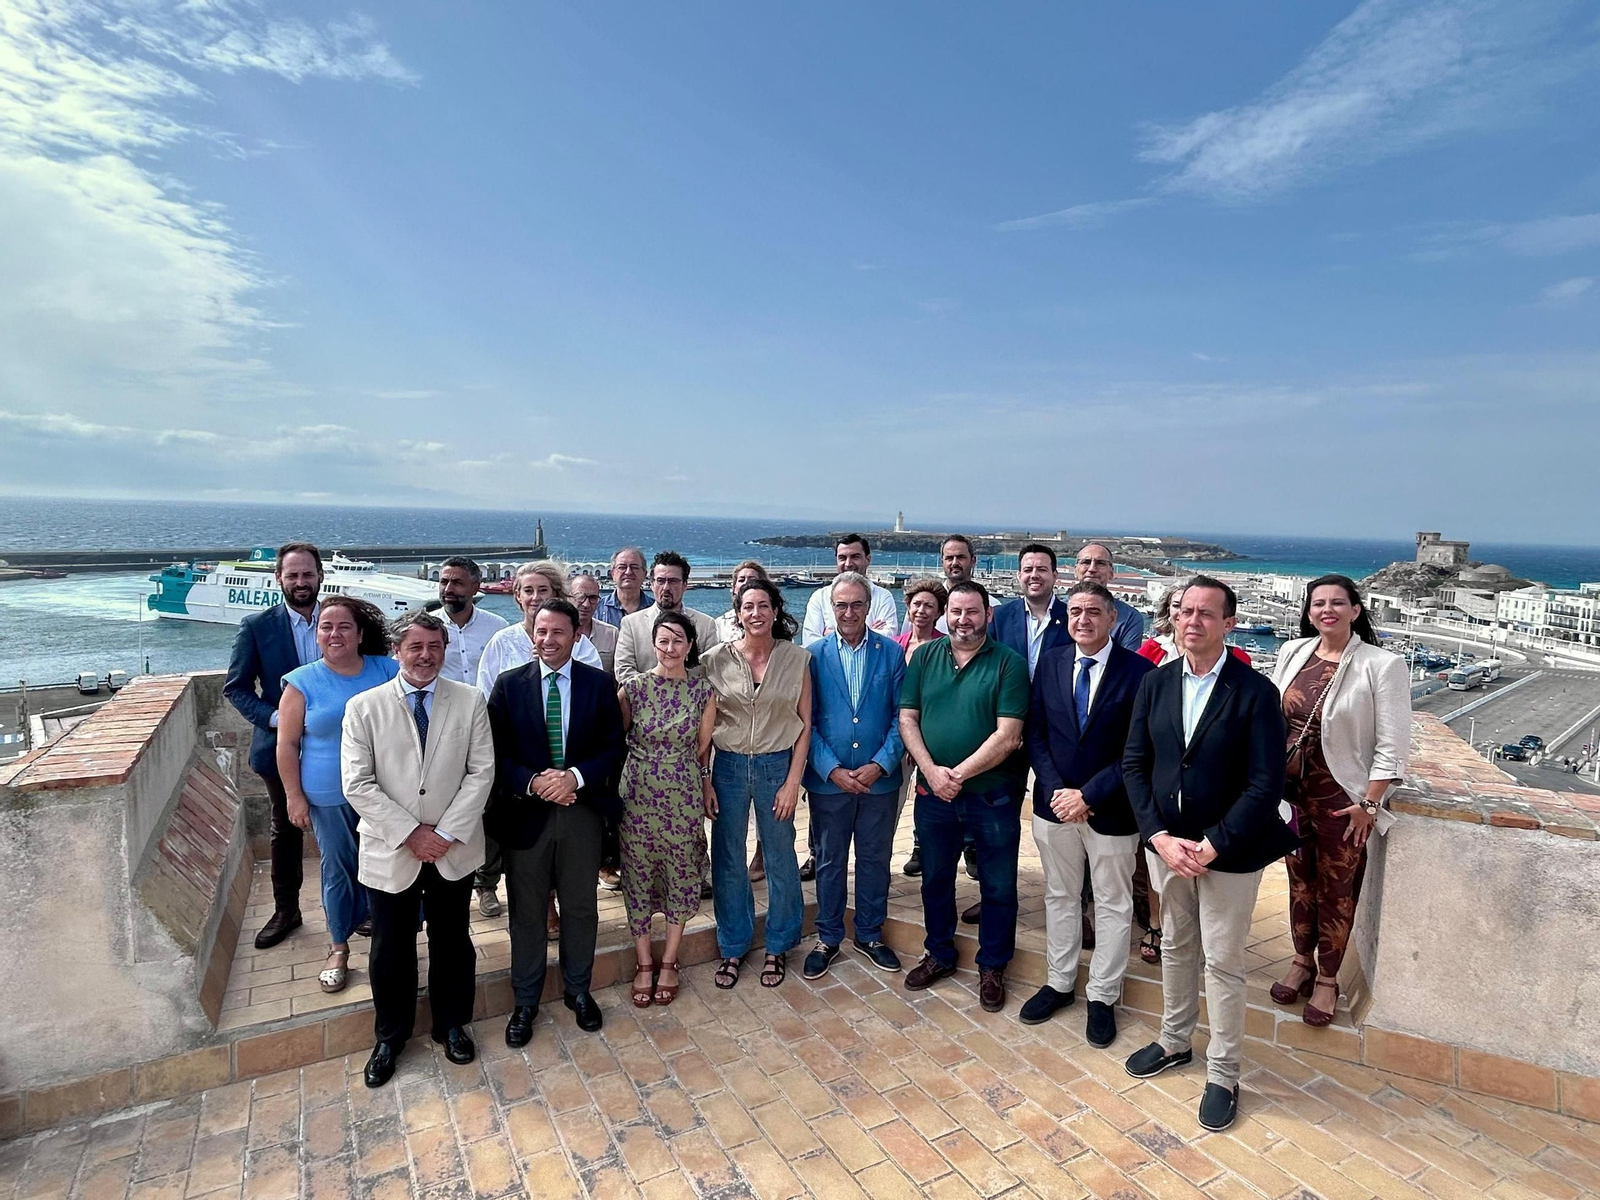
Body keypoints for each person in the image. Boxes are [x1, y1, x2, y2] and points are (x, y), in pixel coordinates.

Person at [1122, 576, 1297, 1133]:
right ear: (1173, 619)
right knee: (1175, 947)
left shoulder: (1253, 692)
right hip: (1167, 849)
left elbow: (1265, 783)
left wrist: (1215, 842)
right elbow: (1134, 765)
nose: (1192, 621)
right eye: (1184, 612)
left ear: (1229, 623)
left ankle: (1223, 1073)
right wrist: (1158, 837)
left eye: (1205, 614)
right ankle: (1175, 1041)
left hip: (1230, 851)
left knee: (1223, 962)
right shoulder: (1155, 683)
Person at [340, 611, 494, 1088]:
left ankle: (452, 1024)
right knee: (390, 947)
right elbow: (357, 784)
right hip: (393, 848)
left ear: (445, 651)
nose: (426, 656)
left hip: (452, 848)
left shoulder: (469, 702)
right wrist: (412, 833)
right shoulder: (363, 708)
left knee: (452, 940)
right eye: (416, 647)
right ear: (396, 651)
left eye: (435, 647)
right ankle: (390, 1036)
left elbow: (481, 772)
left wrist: (444, 834)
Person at [1270, 575, 1410, 1027]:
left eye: (1337, 603)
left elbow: (1392, 744)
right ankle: (1300, 960)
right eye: (1318, 604)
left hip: (1342, 799)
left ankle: (1328, 978)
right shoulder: (1293, 652)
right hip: (1292, 796)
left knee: (1337, 888)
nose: (1326, 610)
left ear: (1355, 610)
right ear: (1308, 611)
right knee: (1299, 879)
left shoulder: (1381, 665)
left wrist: (1370, 804)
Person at [1020, 582, 1155, 1045]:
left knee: (1113, 903)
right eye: (1075, 611)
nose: (1083, 620)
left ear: (1112, 619)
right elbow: (1035, 731)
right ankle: (1060, 983)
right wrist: (1058, 790)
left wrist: (1089, 795)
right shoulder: (1053, 662)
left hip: (1112, 811)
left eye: (1093, 612)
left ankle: (1102, 994)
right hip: (1053, 806)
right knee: (1059, 896)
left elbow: (1139, 749)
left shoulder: (1139, 673)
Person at [487, 599, 626, 1044]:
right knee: (527, 912)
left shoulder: (599, 685)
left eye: (558, 633)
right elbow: (494, 754)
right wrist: (533, 782)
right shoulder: (509, 687)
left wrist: (575, 778)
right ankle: (525, 1000)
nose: (548, 640)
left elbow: (613, 748)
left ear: (576, 636)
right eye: (540, 632)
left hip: (580, 813)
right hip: (526, 814)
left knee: (581, 908)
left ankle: (578, 990)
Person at [899, 580, 1028, 1012]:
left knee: (997, 886)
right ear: (944, 615)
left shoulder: (1009, 663)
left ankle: (992, 965)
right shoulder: (924, 657)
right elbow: (907, 719)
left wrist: (957, 774)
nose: (963, 620)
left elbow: (1008, 736)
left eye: (972, 612)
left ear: (988, 616)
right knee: (935, 880)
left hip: (991, 796)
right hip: (933, 794)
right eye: (955, 611)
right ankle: (939, 954)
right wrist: (932, 772)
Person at [275, 596, 399, 994]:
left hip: (386, 792)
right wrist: (294, 796)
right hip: (328, 794)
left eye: (344, 626)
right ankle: (338, 948)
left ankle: (391, 945)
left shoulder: (387, 670)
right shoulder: (300, 682)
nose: (335, 634)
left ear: (360, 634)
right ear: (317, 634)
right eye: (326, 627)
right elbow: (287, 744)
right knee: (338, 870)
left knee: (390, 866)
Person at [475, 561, 602, 924]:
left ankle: (559, 901)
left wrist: (568, 777)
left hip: (571, 769)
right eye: (527, 591)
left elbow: (592, 699)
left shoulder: (581, 643)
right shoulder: (503, 642)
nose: (534, 598)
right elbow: (488, 698)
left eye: (542, 591)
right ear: (517, 597)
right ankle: (521, 897)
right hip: (522, 768)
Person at [703, 579, 811, 990]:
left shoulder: (797, 658)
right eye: (748, 606)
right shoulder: (714, 660)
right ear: (737, 613)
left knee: (781, 857)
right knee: (728, 858)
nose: (756, 614)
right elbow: (705, 727)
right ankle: (733, 944)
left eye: (763, 605)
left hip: (776, 765)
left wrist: (792, 782)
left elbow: (805, 725)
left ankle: (778, 945)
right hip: (728, 766)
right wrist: (706, 779)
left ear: (775, 610)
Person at [801, 572, 905, 979]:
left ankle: (869, 934)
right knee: (829, 859)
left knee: (875, 859)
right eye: (840, 605)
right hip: (830, 782)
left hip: (880, 779)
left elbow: (903, 717)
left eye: (856, 604)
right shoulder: (812, 656)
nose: (848, 612)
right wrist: (832, 769)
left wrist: (881, 764)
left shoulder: (891, 654)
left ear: (868, 607)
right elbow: (805, 721)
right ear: (831, 608)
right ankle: (828, 937)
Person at [223, 540, 325, 949]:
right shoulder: (257, 627)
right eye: (293, 575)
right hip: (279, 749)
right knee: (286, 830)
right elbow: (237, 688)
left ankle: (361, 907)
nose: (301, 582)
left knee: (354, 826)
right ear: (278, 578)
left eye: (307, 574)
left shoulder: (341, 620)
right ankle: (287, 911)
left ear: (320, 576)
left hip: (339, 745)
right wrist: (278, 720)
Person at [617, 610, 717, 1008]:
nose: (670, 648)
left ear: (690, 646)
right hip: (637, 796)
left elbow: (703, 751)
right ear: (652, 644)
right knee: (637, 876)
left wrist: (707, 786)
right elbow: (618, 739)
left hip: (683, 797)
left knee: (681, 873)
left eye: (678, 640)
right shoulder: (632, 688)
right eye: (663, 640)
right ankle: (644, 961)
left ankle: (670, 960)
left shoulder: (704, 692)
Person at [895, 577, 946, 878]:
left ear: (939, 612)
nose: (922, 611)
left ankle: (924, 850)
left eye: (929, 606)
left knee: (930, 803)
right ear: (908, 607)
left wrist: (922, 743)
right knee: (894, 800)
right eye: (917, 604)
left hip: (931, 740)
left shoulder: (945, 647)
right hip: (897, 737)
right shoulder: (895, 646)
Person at [615, 551, 721, 684]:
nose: (666, 587)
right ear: (651, 584)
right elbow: (623, 671)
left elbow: (712, 672)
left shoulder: (705, 625)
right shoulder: (631, 624)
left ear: (685, 585)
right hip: (643, 701)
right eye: (660, 581)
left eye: (673, 581)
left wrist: (681, 695)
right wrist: (658, 694)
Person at [801, 534, 900, 646]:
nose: (848, 564)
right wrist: (870, 633)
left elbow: (889, 638)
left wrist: (830, 635)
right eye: (842, 558)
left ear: (868, 560)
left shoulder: (883, 597)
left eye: (855, 557)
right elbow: (810, 642)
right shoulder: (819, 597)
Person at [991, 544, 1069, 681]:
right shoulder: (998, 617)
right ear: (1019, 575)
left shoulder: (1071, 618)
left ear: (1054, 575)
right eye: (1028, 570)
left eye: (1042, 569)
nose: (1034, 575)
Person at [1139, 584, 1252, 668]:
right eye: (1177, 605)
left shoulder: (1237, 657)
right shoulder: (1150, 649)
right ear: (1168, 611)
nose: (1183, 613)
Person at [436, 556, 508, 686]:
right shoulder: (424, 628)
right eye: (444, 582)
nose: (448, 589)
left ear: (475, 588)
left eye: (457, 583)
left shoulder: (497, 627)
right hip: (443, 704)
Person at [1071, 543, 1145, 651]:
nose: (1092, 569)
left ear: (1111, 573)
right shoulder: (1056, 611)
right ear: (1075, 571)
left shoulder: (1130, 618)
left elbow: (1128, 663)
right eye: (1086, 562)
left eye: (1100, 563)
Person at [570, 573, 619, 677]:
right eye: (580, 597)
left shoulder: (611, 634)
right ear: (568, 597)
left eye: (593, 598)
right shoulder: (555, 633)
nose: (586, 604)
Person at [596, 546, 654, 629]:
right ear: (612, 574)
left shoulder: (655, 610)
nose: (628, 572)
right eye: (622, 567)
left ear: (644, 574)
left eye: (634, 567)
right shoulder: (597, 610)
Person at [714, 560, 771, 643]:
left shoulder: (774, 620)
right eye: (741, 580)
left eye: (752, 579)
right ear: (734, 588)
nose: (746, 582)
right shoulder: (720, 623)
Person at [933, 534, 976, 634]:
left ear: (973, 561)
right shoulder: (925, 605)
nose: (954, 563)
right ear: (942, 562)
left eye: (961, 557)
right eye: (949, 558)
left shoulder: (991, 605)